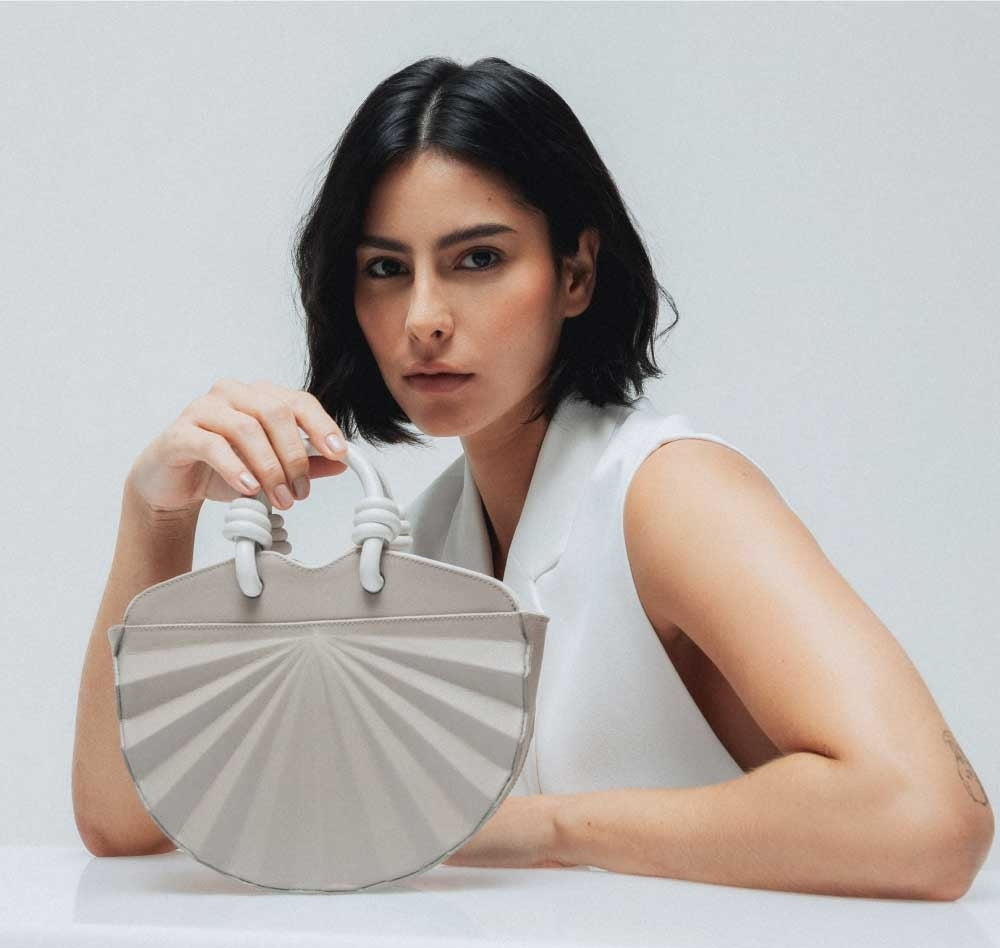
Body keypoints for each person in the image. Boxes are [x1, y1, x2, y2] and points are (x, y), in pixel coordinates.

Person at [73, 56, 993, 899]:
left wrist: (544, 830)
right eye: (385, 268)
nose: (423, 318)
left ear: (576, 272)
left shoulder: (670, 494)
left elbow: (928, 817)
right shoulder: (429, 540)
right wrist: (156, 514)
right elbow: (130, 822)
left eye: (478, 259)